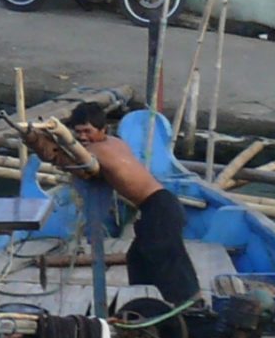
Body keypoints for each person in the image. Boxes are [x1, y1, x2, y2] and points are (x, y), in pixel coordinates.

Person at [42, 100, 200, 304]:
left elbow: (71, 163)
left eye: (88, 131)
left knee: (163, 256)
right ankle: (144, 301)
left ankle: (188, 305)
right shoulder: (115, 142)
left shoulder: (96, 150)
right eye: (78, 132)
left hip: (158, 205)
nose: (82, 137)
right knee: (137, 258)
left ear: (102, 129)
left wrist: (47, 145)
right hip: (161, 203)